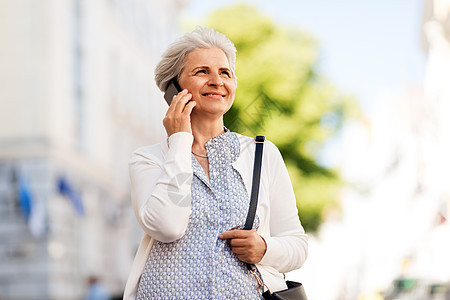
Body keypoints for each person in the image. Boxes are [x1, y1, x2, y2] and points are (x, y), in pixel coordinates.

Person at [124, 26, 308, 299]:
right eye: (202, 72)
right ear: (174, 88)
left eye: (225, 73)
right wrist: (179, 142)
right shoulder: (148, 159)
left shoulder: (262, 153)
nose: (217, 81)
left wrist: (265, 248)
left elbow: (297, 246)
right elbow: (167, 226)